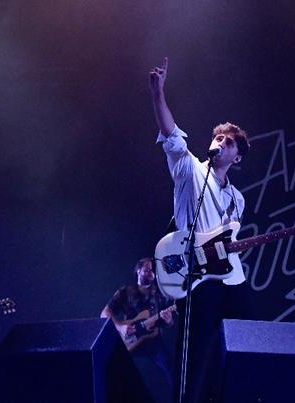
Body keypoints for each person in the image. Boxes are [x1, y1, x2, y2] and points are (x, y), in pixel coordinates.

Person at [149, 57, 251, 402]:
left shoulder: (237, 199)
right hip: (195, 275)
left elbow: (228, 240)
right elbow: (170, 132)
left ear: (237, 158)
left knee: (242, 338)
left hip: (226, 277)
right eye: (218, 137)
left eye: (229, 141)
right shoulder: (190, 169)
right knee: (195, 353)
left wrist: (238, 248)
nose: (221, 142)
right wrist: (157, 93)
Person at [102, 257, 178, 403]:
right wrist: (120, 327)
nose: (151, 273)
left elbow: (168, 323)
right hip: (129, 341)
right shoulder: (125, 291)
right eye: (147, 269)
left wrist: (168, 320)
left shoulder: (160, 293)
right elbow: (104, 313)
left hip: (153, 341)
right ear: (138, 271)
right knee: (112, 370)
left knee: (173, 372)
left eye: (152, 270)